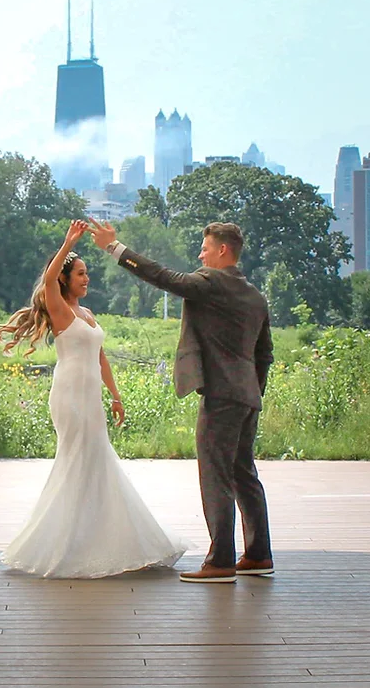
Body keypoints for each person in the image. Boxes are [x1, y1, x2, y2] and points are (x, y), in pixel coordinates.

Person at [0, 219, 185, 578]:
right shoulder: (60, 308)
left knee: (97, 461)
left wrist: (116, 396)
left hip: (92, 398)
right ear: (66, 279)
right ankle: (58, 544)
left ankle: (100, 540)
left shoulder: (88, 314)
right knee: (77, 460)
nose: (86, 279)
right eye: (80, 274)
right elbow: (48, 279)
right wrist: (68, 242)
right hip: (69, 397)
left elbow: (101, 358)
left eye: (87, 273)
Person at [90, 219, 273, 584]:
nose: (199, 255)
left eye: (204, 249)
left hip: (221, 395)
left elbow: (164, 277)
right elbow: (265, 353)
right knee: (243, 474)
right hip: (248, 395)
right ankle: (258, 555)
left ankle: (220, 561)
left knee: (215, 474)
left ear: (222, 251)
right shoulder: (255, 295)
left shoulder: (212, 283)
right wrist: (251, 389)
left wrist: (115, 248)